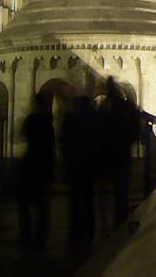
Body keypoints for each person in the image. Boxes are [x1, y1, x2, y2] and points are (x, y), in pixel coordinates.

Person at [60, 96, 102, 246]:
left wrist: (67, 159)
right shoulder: (94, 120)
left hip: (75, 165)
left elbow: (63, 142)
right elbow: (99, 142)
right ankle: (89, 232)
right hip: (89, 165)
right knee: (88, 199)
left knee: (75, 200)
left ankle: (75, 233)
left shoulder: (71, 119)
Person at [98, 77, 140, 229]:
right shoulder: (127, 107)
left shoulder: (105, 107)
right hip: (122, 153)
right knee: (121, 190)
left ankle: (104, 224)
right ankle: (120, 221)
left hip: (106, 154)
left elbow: (99, 129)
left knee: (103, 191)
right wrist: (128, 142)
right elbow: (135, 128)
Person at [17, 93, 55, 245]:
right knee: (41, 202)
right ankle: (41, 233)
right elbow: (52, 144)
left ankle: (26, 233)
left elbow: (22, 135)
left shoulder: (32, 119)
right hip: (43, 163)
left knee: (24, 200)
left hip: (31, 162)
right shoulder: (48, 121)